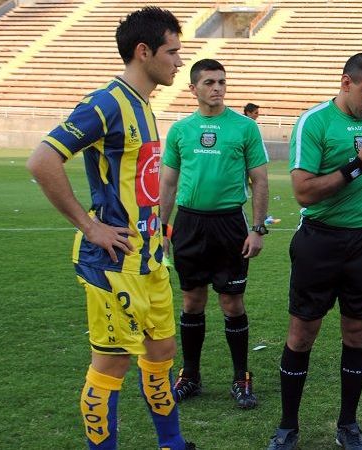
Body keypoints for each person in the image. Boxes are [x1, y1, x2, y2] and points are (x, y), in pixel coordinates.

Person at [26, 7, 196, 450]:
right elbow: (42, 161)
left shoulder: (143, 104)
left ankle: (172, 444)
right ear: (144, 52)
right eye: (172, 52)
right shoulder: (106, 103)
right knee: (111, 366)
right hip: (113, 264)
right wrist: (90, 226)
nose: (179, 61)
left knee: (161, 355)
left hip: (150, 262)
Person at [267, 52, 362, 450]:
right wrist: (358, 163)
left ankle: (348, 424)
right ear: (346, 83)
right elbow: (303, 191)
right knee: (302, 334)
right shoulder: (315, 122)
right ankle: (287, 426)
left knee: (356, 332)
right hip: (319, 240)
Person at [159, 58, 269, 409]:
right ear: (193, 88)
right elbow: (168, 182)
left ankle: (241, 378)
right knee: (192, 301)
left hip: (229, 224)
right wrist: (162, 227)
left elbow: (259, 180)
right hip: (189, 224)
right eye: (209, 82)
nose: (217, 88)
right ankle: (190, 376)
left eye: (221, 81)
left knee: (232, 302)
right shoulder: (180, 130)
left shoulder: (244, 128)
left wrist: (257, 228)